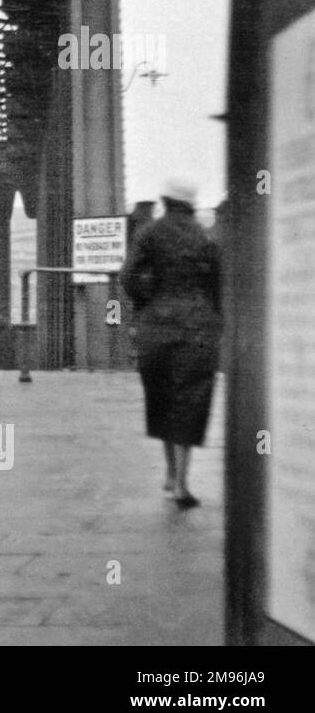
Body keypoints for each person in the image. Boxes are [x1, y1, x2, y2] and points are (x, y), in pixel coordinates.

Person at [119, 179, 224, 509]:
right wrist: (214, 317)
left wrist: (147, 303)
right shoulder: (205, 235)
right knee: (189, 402)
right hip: (197, 328)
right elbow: (219, 285)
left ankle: (169, 474)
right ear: (191, 204)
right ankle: (181, 482)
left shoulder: (149, 232)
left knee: (162, 399)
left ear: (165, 200)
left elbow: (128, 277)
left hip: (157, 327)